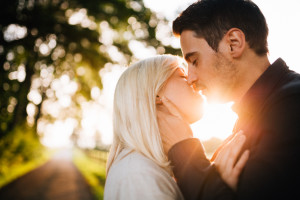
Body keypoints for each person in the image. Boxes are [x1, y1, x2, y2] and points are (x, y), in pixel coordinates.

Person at [157, 0, 300, 200]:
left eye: (195, 61)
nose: (190, 78)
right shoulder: (252, 115)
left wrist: (183, 148)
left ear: (234, 43)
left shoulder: (292, 106)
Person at [104, 55, 249, 200]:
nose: (193, 81)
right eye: (183, 76)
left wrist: (209, 184)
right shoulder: (139, 177)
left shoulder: (149, 170)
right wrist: (214, 189)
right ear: (156, 95)